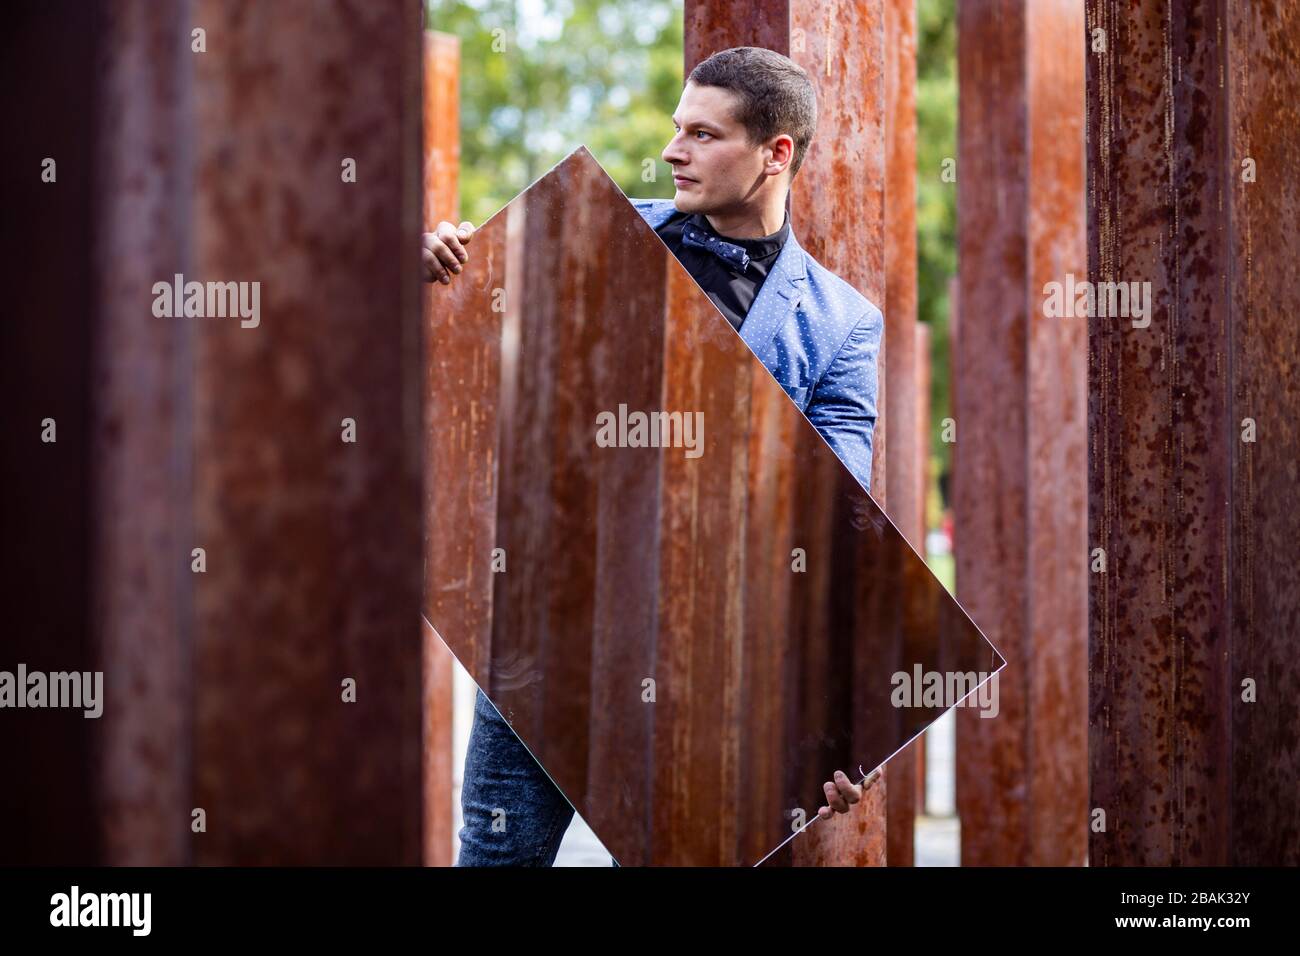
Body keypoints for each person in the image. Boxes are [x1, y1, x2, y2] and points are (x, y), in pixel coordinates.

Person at [425, 47, 881, 866]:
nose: (673, 150)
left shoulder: (844, 327)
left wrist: (842, 721)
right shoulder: (588, 230)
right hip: (545, 640)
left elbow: (838, 524)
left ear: (776, 153)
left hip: (703, 667)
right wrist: (436, 276)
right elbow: (465, 358)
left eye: (703, 135)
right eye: (677, 129)